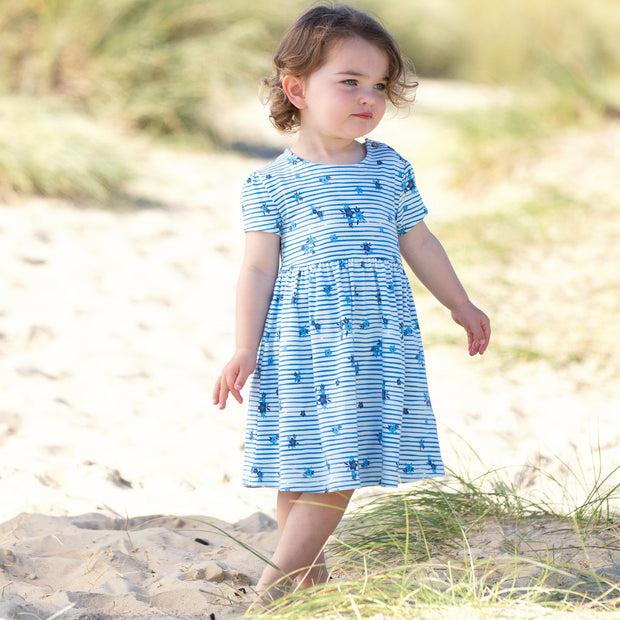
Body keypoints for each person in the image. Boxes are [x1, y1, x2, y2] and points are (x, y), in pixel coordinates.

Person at [213, 2, 490, 604]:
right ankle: (293, 582)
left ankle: (283, 584)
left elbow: (418, 240)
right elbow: (258, 269)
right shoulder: (272, 182)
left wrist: (459, 303)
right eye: (349, 82)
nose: (369, 97)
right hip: (304, 341)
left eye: (380, 85)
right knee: (302, 463)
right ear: (297, 88)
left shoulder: (388, 168)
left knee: (344, 461)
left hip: (373, 340)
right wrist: (244, 347)